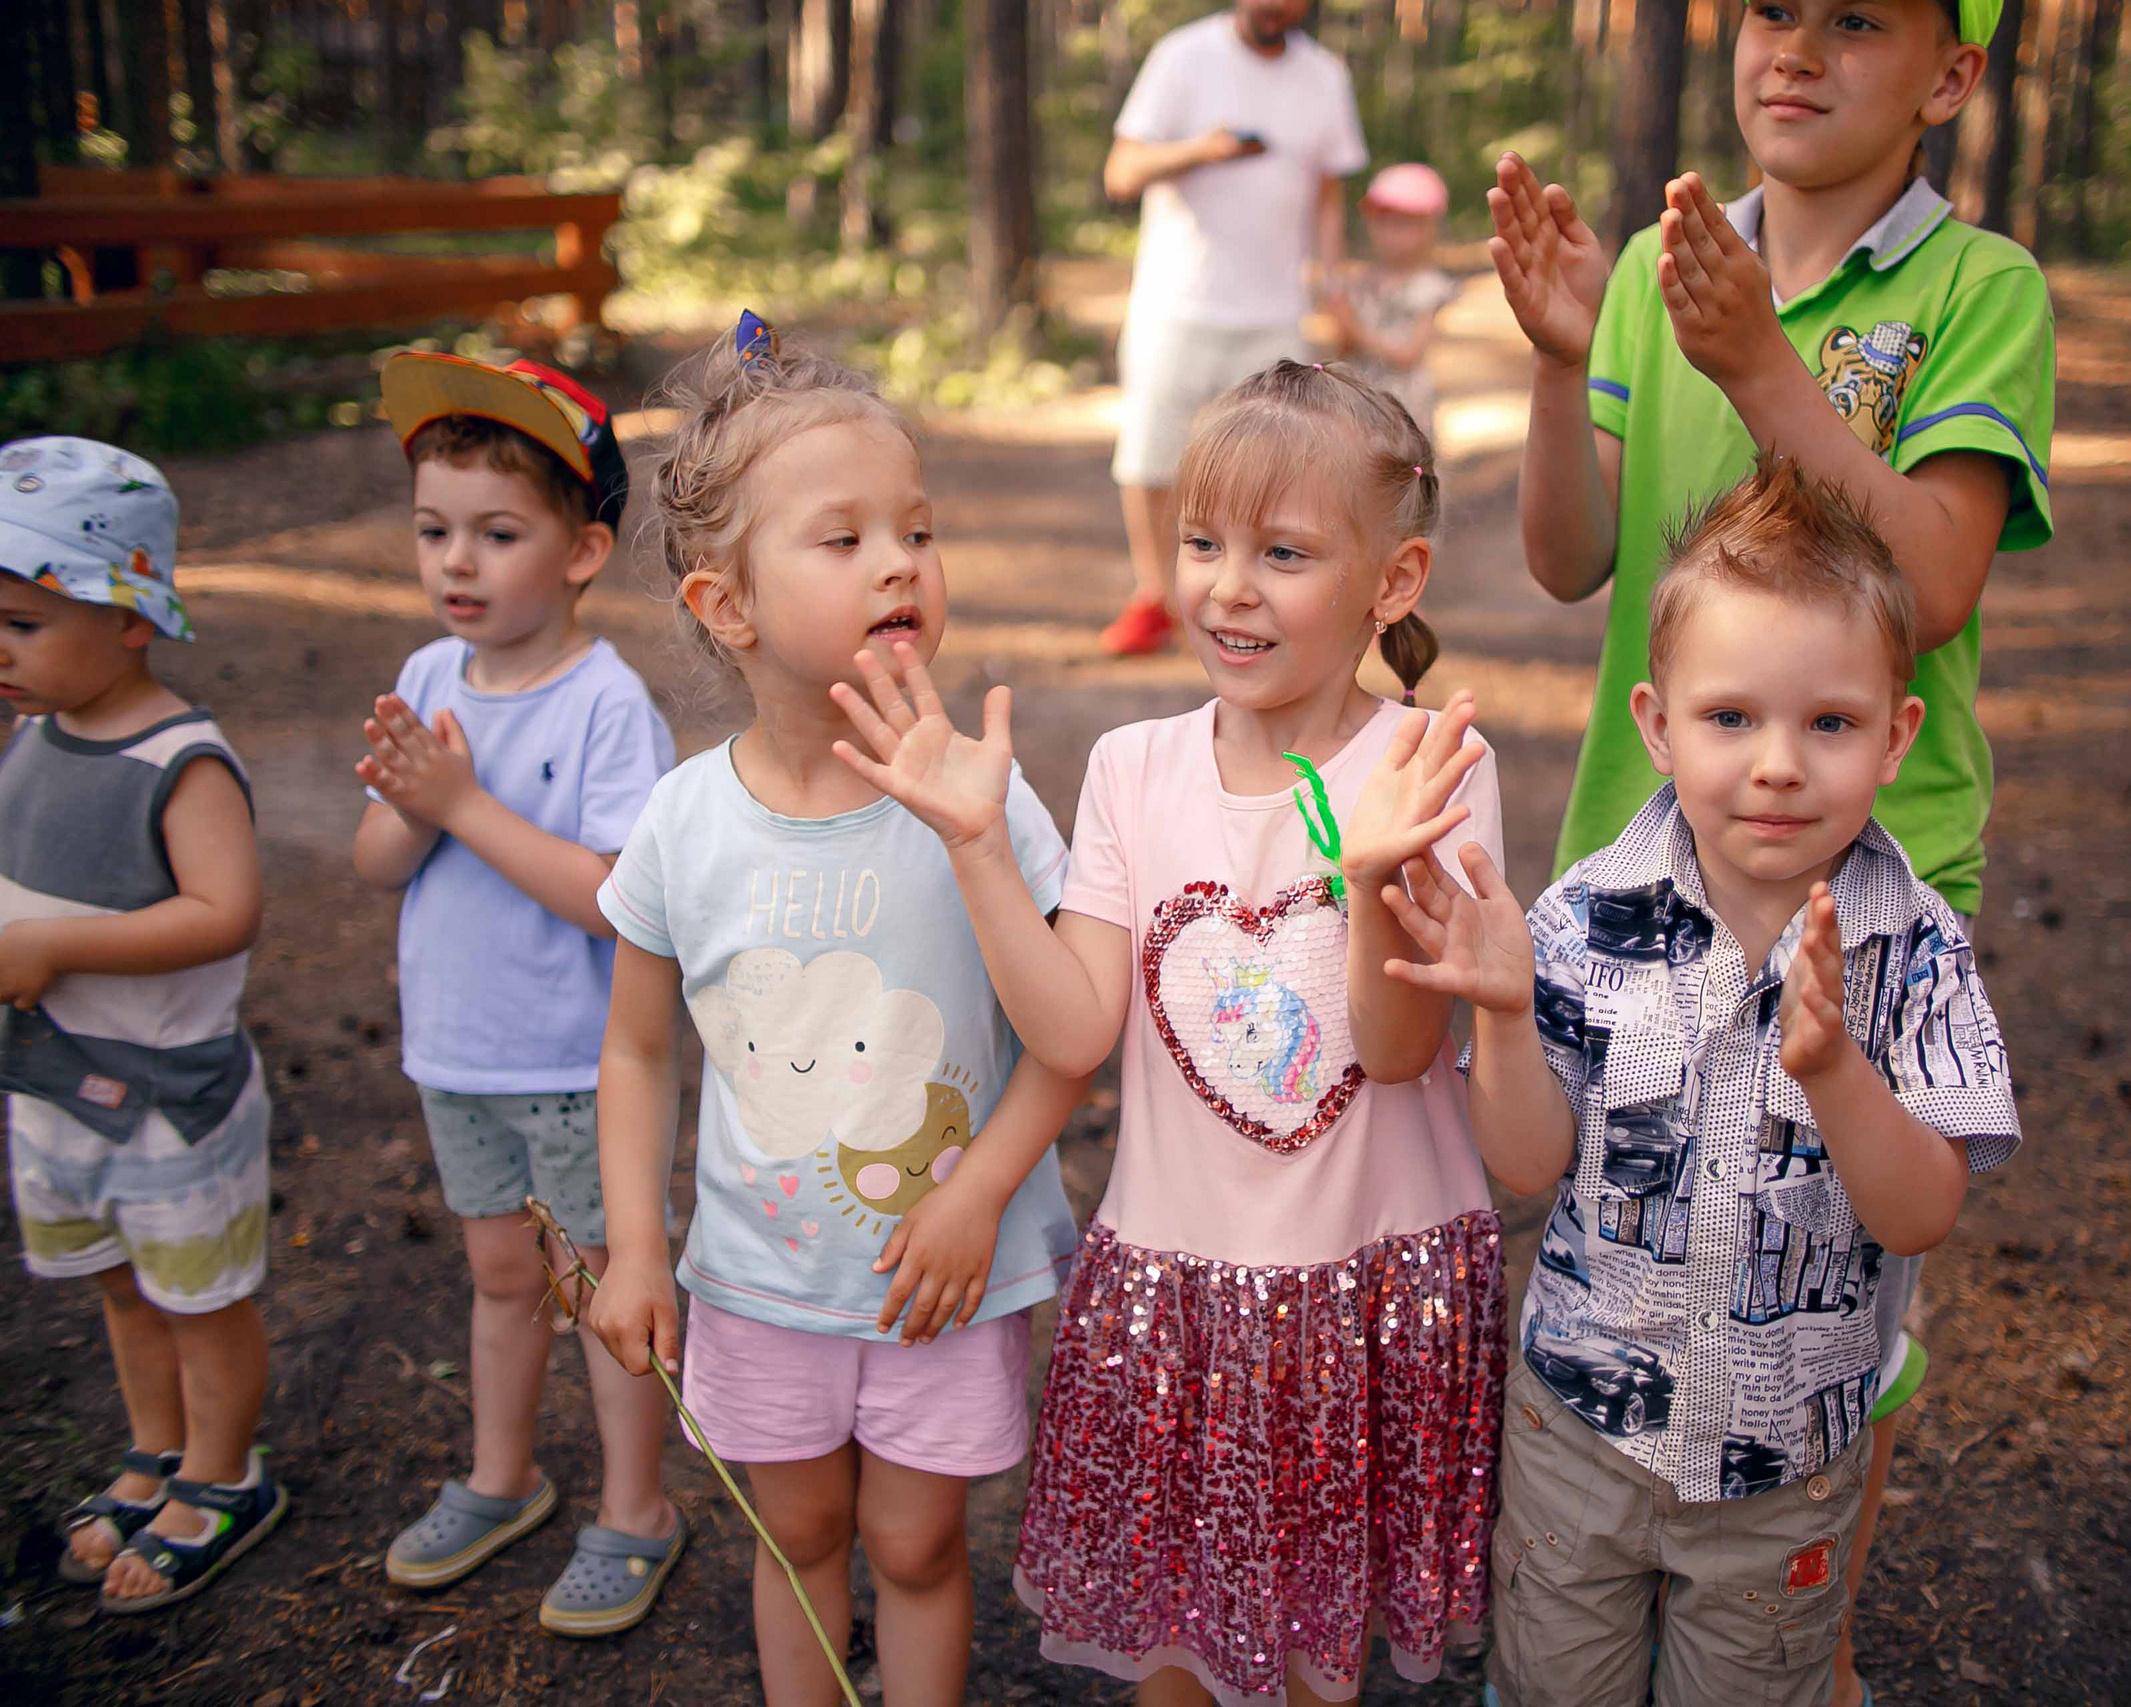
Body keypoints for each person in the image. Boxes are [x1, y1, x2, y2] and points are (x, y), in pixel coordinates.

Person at [1487, 0, 2054, 1690]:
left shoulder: (1981, 290)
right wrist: (1558, 358)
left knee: (1823, 1288)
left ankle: (1796, 1641)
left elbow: (1933, 579)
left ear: (1953, 75)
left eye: (1856, 20)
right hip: (1652, 869)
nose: (1795, 50)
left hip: (1863, 875)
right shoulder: (1663, 270)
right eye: (1770, 11)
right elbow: (1568, 557)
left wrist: (1756, 365)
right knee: (1642, 1231)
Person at [833, 362, 1502, 1705]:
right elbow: (1076, 1026)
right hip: (1180, 1302)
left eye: (1283, 553)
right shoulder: (1132, 767)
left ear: (1394, 579)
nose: (1228, 588)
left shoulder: (1433, 768)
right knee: (1176, 1652)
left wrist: (1373, 878)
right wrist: (977, 847)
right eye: (1202, 543)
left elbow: (1397, 1051)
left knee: (1313, 1662)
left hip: (1361, 1291)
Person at [1381, 453, 2019, 1706]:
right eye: (1730, 718)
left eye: (1828, 723)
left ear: (1896, 736)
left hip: (1787, 1471)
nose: (1777, 764)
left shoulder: (1914, 948)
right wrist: (1504, 1014)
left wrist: (1834, 1073)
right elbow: (1529, 1164)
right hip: (1580, 1435)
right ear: (1656, 726)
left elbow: (1920, 1215)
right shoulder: (1584, 918)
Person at [586, 315, 1085, 1707]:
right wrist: (637, 1247)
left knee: (916, 1542)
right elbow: (636, 1048)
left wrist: (980, 1194)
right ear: (726, 605)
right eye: (845, 538)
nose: (899, 562)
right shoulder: (684, 823)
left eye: (917, 531)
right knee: (798, 1533)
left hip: (943, 1274)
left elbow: (1068, 1037)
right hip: (758, 1281)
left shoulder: (981, 801)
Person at [353, 353, 684, 1634]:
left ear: (583, 549)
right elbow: (381, 861)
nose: (457, 562)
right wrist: (413, 808)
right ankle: (503, 1479)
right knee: (501, 1276)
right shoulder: (428, 677)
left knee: (599, 1287)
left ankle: (636, 1510)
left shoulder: (605, 706)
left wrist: (461, 804)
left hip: (573, 1062)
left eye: (497, 534)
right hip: (459, 1054)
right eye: (433, 530)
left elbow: (615, 895)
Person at [0, 436, 284, 1612]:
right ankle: (156, 1447)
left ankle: (225, 1473)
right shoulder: (33, 737)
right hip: (53, 1082)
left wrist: (56, 948)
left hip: (167, 1098)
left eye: (22, 625)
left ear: (128, 618)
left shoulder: (180, 759)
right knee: (122, 1286)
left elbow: (224, 912)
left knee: (197, 1297)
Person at [1096, 0, 1368, 656]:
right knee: (1152, 460)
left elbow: (1329, 198)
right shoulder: (1182, 55)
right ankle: (1154, 599)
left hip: (1275, 311)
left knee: (1277, 471)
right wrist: (1203, 149)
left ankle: (1256, 606)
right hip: (1175, 302)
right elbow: (1121, 173)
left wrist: (1333, 290)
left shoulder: (1325, 75)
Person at [1325, 162, 1460, 439]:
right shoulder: (1360, 281)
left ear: (1428, 227)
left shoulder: (1428, 286)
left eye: (1402, 224)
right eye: (1382, 222)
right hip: (1360, 404)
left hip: (1405, 410)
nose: (1390, 234)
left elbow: (1409, 355)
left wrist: (1355, 330)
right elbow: (1344, 350)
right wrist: (1339, 323)